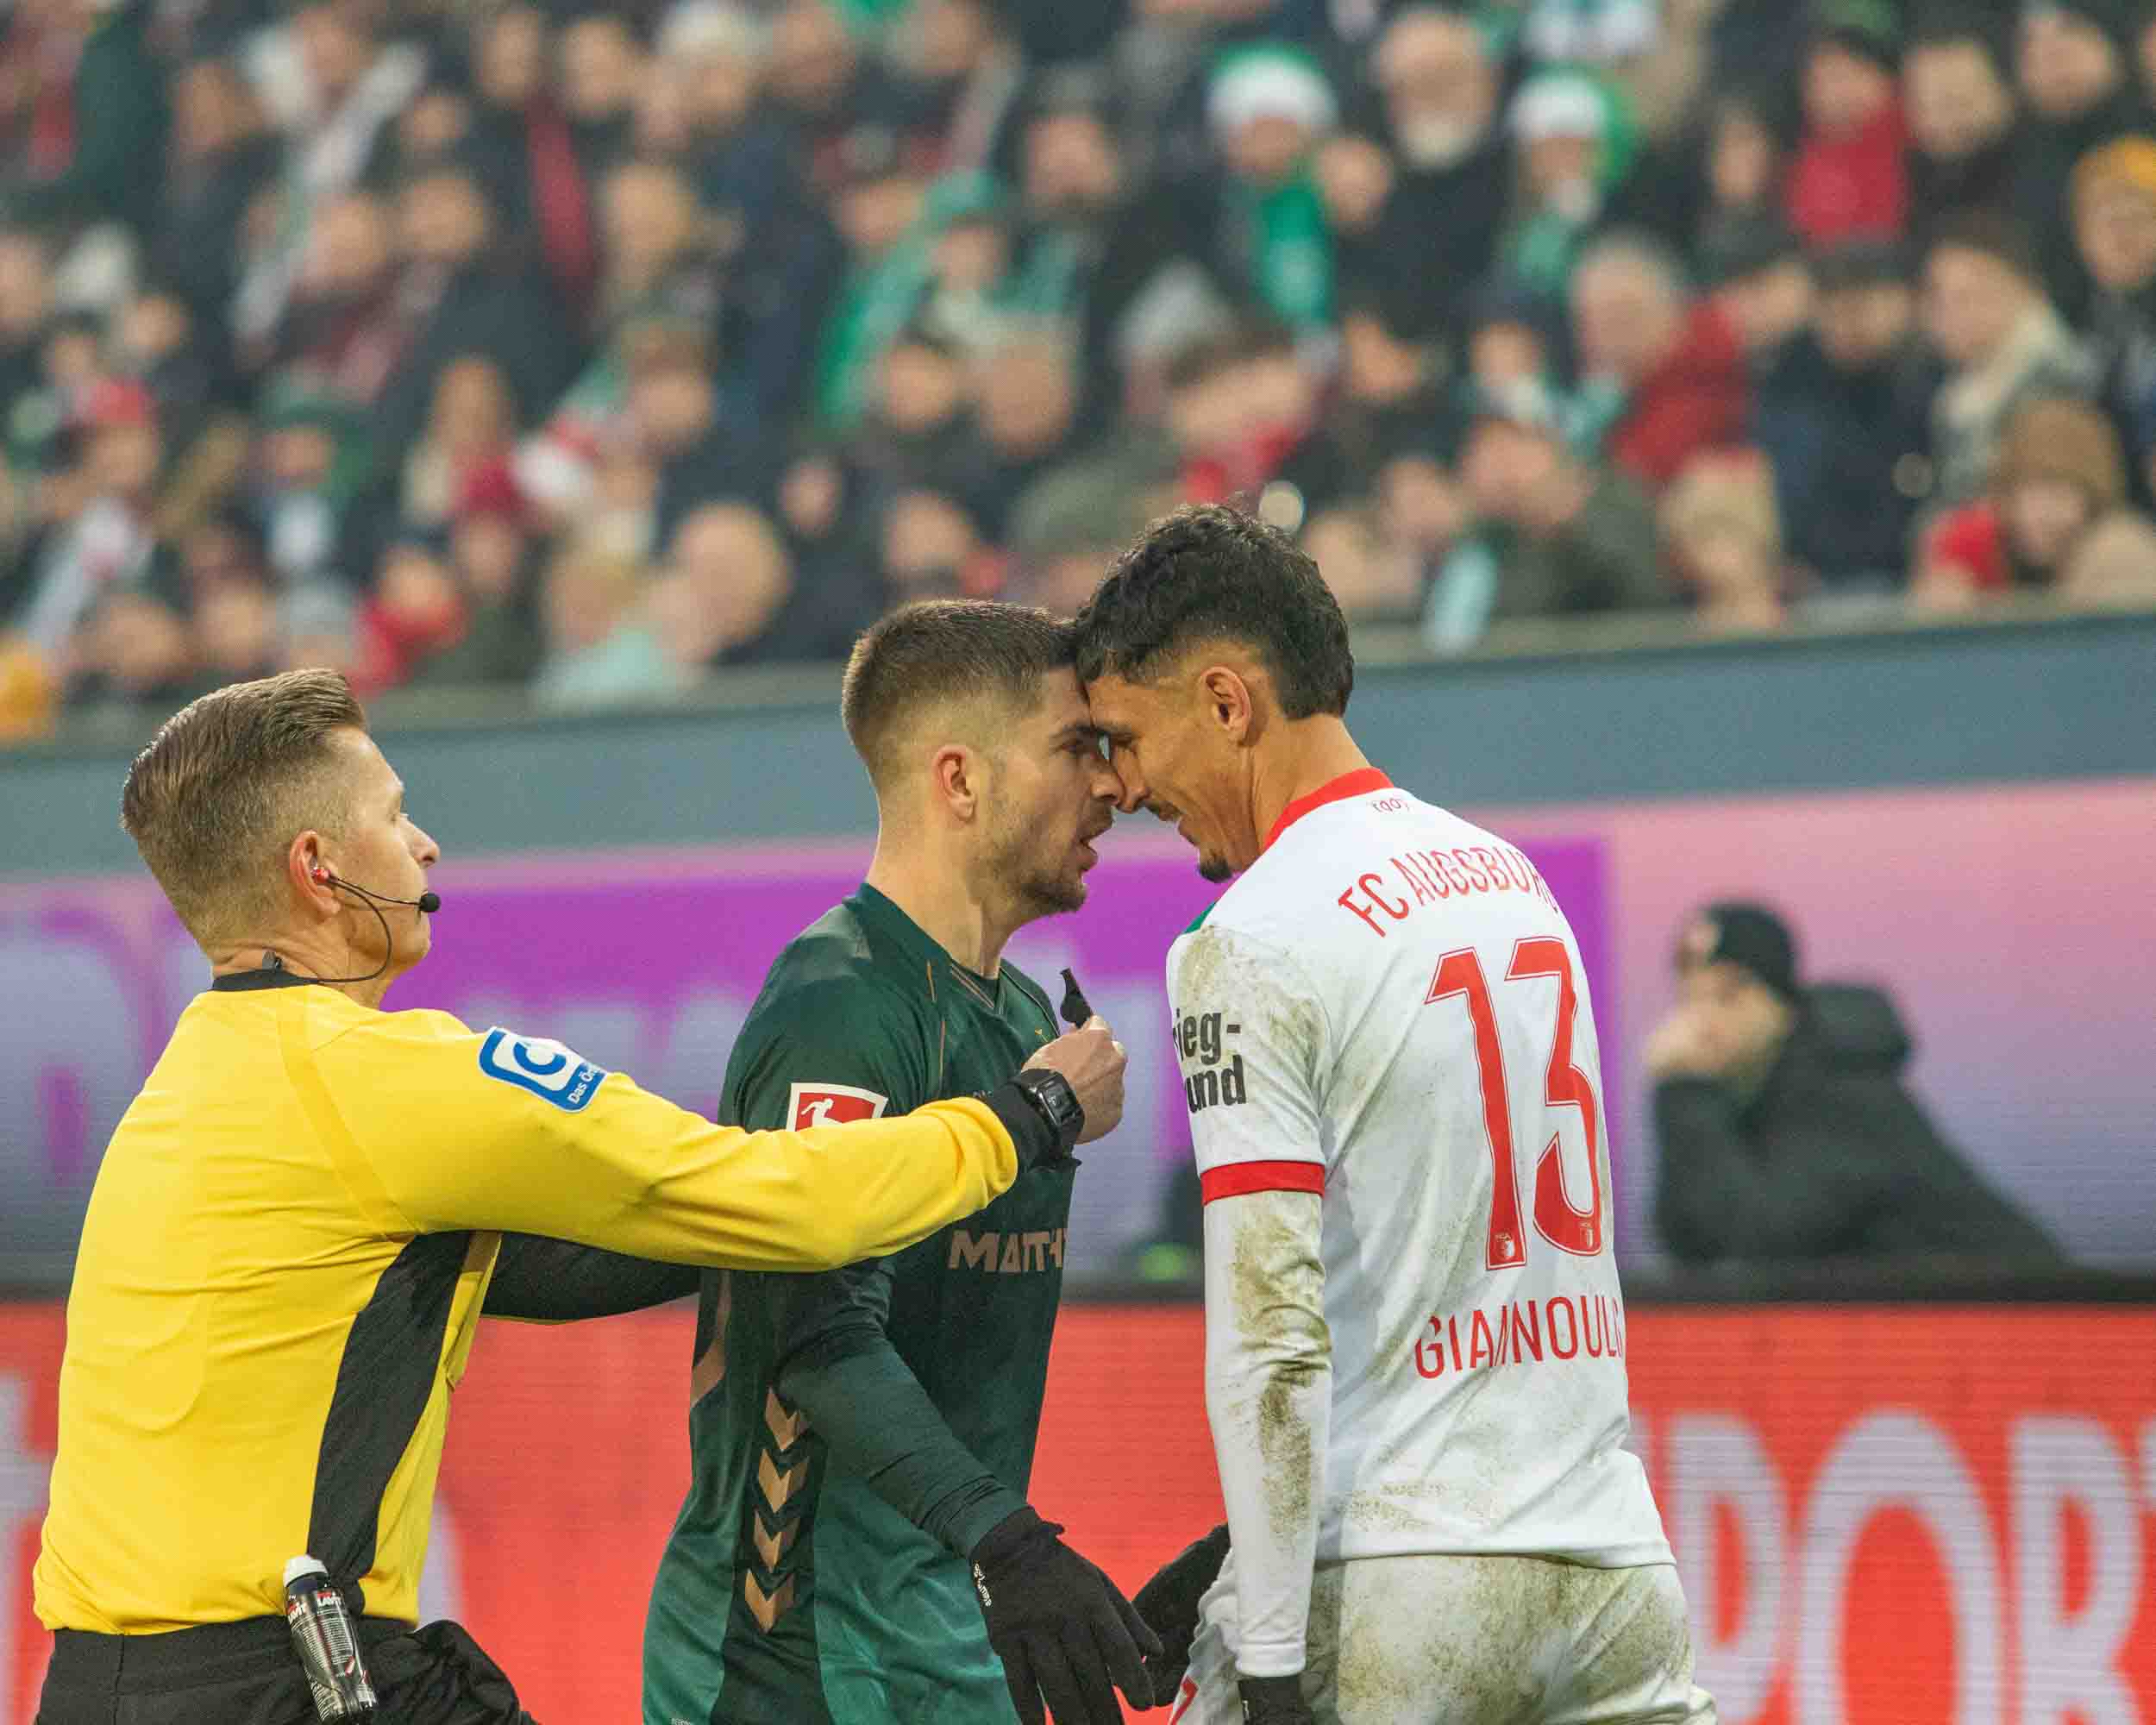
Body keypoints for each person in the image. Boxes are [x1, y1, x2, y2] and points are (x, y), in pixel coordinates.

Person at [33, 668, 1125, 1725]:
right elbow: (781, 1199)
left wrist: (723, 1220)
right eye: (395, 815)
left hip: (90, 1682)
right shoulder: (390, 1077)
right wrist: (1030, 1112)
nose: (425, 844)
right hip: (286, 1681)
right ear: (318, 868)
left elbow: (579, 1257)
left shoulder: (180, 1096)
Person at [1072, 505, 1710, 1725]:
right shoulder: (1513, 880)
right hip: (1615, 1570)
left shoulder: (1247, 938)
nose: (1126, 785)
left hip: (1398, 1589)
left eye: (1129, 738)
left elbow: (1270, 1337)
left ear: (1226, 702)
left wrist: (1268, 1647)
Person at [643, 600, 1152, 1725]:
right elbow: (813, 1332)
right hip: (789, 1660)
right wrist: (1009, 1540)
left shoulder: (1025, 1017)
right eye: (1076, 747)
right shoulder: (840, 1004)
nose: (1113, 785)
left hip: (947, 1640)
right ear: (959, 779)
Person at [1648, 901, 2060, 1265]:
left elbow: (1751, 1242)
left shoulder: (1843, 1090)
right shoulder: (1743, 1096)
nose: (1702, 1020)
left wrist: (1686, 1088)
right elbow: (1692, 1239)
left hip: (2025, 1314)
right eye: (1690, 998)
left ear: (1781, 1004)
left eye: (1729, 994)